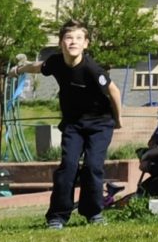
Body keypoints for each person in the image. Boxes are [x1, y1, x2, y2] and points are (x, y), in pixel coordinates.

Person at [39, 22, 121, 226]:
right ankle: (57, 216)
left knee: (93, 166)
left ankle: (93, 212)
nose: (72, 42)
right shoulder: (56, 62)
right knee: (68, 166)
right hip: (73, 125)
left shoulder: (92, 69)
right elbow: (39, 67)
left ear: (86, 44)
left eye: (78, 38)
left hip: (100, 124)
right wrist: (19, 69)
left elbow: (114, 92)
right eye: (68, 38)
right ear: (60, 43)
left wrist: (118, 119)